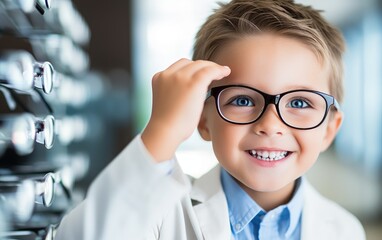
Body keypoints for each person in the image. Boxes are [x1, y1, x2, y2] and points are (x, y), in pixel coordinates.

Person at [55, 0, 366, 239]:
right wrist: (162, 131)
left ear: (329, 130)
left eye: (299, 102)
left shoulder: (345, 229)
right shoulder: (160, 216)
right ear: (203, 119)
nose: (271, 125)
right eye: (242, 100)